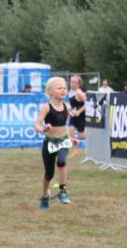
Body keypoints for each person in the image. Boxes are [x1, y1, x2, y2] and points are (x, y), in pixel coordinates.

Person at [33, 77, 76, 210]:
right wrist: (43, 129)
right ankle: (45, 195)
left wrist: (70, 138)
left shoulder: (67, 107)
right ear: (50, 92)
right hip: (49, 143)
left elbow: (65, 126)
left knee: (62, 161)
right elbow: (36, 125)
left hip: (63, 141)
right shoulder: (46, 108)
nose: (63, 90)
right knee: (49, 174)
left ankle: (62, 191)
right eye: (59, 88)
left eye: (64, 88)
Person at [67, 74, 87, 157]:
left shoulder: (79, 93)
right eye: (71, 82)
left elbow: (88, 104)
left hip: (81, 116)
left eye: (74, 82)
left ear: (78, 84)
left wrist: (79, 111)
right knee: (71, 132)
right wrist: (69, 109)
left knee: (82, 135)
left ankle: (94, 140)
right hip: (73, 115)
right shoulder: (69, 92)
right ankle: (75, 151)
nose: (72, 84)